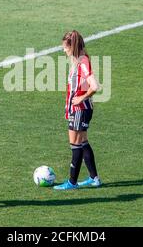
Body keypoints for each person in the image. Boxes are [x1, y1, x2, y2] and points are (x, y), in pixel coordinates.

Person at [54, 30, 102, 190]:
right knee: (83, 142)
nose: (63, 50)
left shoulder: (82, 62)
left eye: (65, 47)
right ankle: (94, 178)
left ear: (72, 46)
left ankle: (72, 182)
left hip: (81, 109)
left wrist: (81, 99)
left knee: (75, 144)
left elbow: (94, 86)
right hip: (79, 109)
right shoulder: (80, 60)